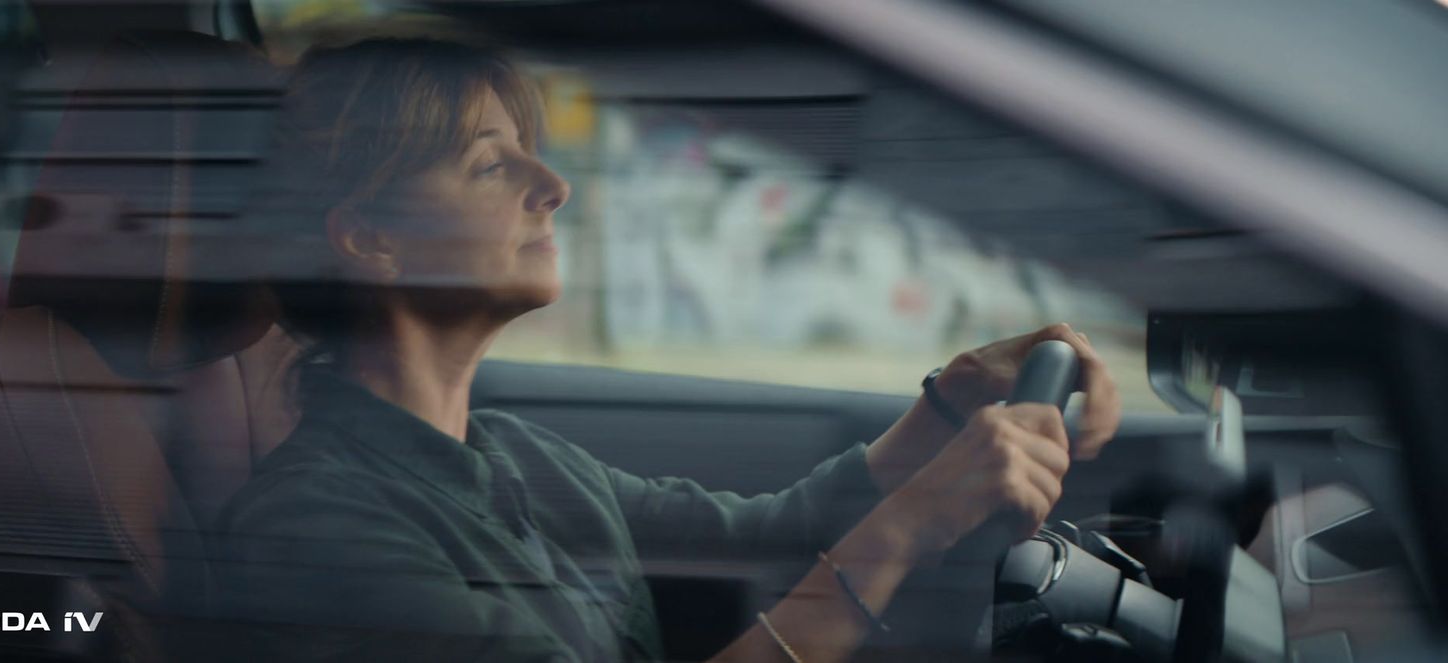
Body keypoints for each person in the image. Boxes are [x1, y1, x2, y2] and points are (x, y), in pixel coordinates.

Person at [217, 37, 1122, 663]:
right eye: (493, 165)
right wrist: (910, 526)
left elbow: (776, 530)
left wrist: (956, 397)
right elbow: (847, 544)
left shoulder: (517, 457)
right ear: (368, 237)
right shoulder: (317, 531)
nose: (556, 185)